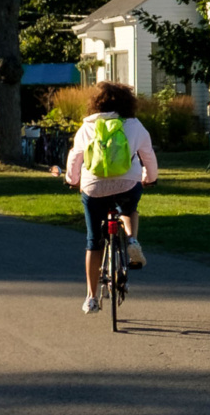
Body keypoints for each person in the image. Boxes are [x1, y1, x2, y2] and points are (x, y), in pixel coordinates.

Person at [63, 82, 159, 314]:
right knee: (129, 210)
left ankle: (91, 297)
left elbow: (75, 157)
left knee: (93, 240)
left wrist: (72, 180)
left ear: (96, 103)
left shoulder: (87, 126)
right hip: (128, 184)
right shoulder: (135, 126)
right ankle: (132, 241)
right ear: (128, 102)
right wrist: (150, 177)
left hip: (94, 188)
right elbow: (149, 156)